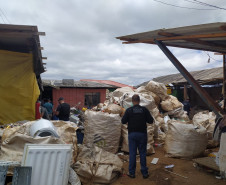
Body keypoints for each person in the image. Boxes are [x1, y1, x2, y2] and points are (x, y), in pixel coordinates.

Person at [121, 94, 154, 179]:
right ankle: (144, 173)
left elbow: (123, 121)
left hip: (132, 134)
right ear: (139, 101)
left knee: (132, 154)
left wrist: (129, 120)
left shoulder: (129, 110)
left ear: (132, 101)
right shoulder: (144, 110)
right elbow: (150, 121)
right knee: (142, 153)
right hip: (142, 134)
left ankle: (132, 173)